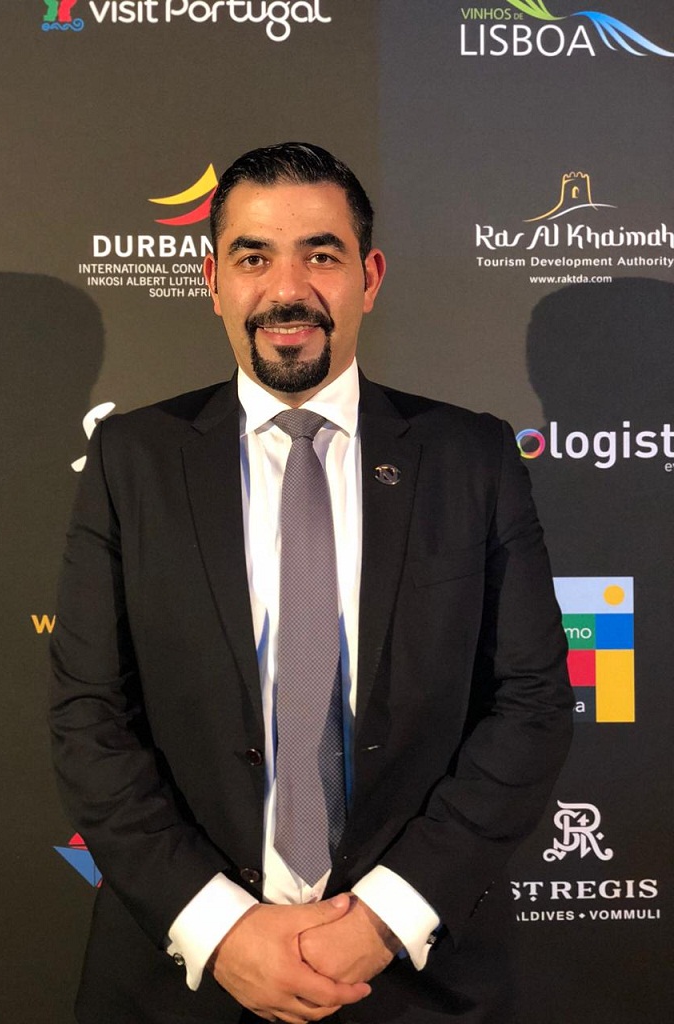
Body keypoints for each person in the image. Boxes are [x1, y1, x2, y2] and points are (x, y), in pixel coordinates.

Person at [50, 142, 573, 1024]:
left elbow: (532, 704)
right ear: (213, 280)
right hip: (183, 982)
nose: (287, 290)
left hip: (417, 979)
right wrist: (222, 929)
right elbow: (88, 716)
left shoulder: (471, 457)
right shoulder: (131, 460)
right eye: (253, 257)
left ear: (369, 277)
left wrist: (382, 918)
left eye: (320, 255)